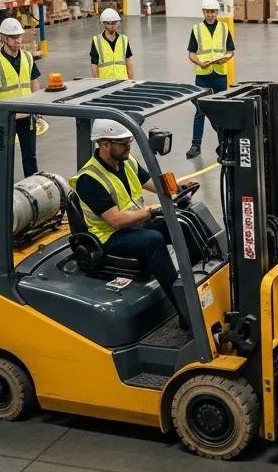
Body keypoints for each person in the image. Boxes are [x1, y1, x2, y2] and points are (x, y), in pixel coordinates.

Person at [73, 119, 198, 326]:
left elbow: (154, 183)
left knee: (184, 222)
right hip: (110, 236)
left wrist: (179, 187)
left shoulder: (126, 160)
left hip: (134, 225)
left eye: (129, 142)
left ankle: (200, 281)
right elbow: (115, 220)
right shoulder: (89, 178)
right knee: (152, 240)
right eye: (123, 144)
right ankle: (186, 312)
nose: (128, 147)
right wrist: (150, 211)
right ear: (105, 144)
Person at [0, 18, 41, 177]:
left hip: (27, 116)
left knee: (30, 156)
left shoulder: (27, 57)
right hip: (7, 117)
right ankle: (4, 187)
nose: (18, 40)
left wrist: (38, 106)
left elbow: (34, 83)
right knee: (5, 156)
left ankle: (31, 185)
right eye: (13, 37)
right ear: (4, 38)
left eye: (19, 36)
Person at [186, 0, 234, 159]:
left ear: (217, 12)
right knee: (200, 111)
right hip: (203, 76)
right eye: (207, 12)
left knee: (220, 111)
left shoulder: (224, 28)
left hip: (220, 75)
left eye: (213, 12)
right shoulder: (197, 29)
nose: (210, 15)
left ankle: (224, 144)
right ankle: (195, 145)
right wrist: (200, 62)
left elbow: (230, 51)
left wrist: (225, 59)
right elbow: (191, 53)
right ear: (203, 12)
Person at [90, 7, 134, 80]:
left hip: (123, 81)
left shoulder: (124, 39)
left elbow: (128, 62)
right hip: (105, 82)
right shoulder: (96, 40)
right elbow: (94, 65)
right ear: (103, 23)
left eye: (113, 23)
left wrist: (131, 81)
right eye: (108, 23)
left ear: (118, 23)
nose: (111, 26)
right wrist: (97, 83)